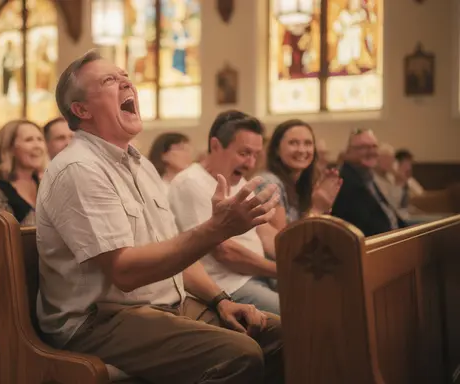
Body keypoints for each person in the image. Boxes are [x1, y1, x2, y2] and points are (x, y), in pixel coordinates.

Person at [36, 50, 283, 384]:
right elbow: (124, 272)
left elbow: (176, 251)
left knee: (280, 333)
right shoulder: (79, 168)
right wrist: (215, 229)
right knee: (238, 355)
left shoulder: (142, 166)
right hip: (100, 320)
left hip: (163, 306)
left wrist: (221, 300)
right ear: (81, 110)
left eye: (125, 75)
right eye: (110, 80)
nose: (126, 82)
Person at [168, 114, 280, 314]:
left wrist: (299, 256)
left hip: (258, 274)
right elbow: (223, 251)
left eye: (256, 155)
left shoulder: (240, 183)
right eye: (244, 153)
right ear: (215, 145)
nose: (251, 164)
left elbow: (265, 232)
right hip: (229, 285)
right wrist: (281, 271)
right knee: (299, 313)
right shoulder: (190, 182)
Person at [259, 120, 342, 230]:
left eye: (308, 143)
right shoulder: (269, 183)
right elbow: (282, 241)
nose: (302, 150)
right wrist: (316, 209)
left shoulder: (302, 183)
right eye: (293, 143)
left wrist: (324, 205)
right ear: (276, 150)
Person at [332, 129, 406, 236]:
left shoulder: (366, 176)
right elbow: (369, 228)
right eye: (363, 147)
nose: (371, 151)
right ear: (348, 152)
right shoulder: (344, 182)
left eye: (374, 146)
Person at [0, 119, 47, 225]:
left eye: (40, 139)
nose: (37, 145)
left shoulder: (46, 184)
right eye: (29, 140)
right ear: (10, 148)